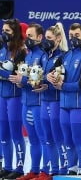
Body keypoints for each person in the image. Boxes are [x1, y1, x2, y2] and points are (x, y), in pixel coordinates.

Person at [47, 23, 81, 176]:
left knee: (78, 137)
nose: (74, 38)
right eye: (71, 35)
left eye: (77, 36)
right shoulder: (65, 56)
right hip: (64, 105)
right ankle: (72, 166)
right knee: (67, 138)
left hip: (79, 105)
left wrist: (63, 86)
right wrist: (49, 76)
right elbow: (52, 71)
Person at [9, 23, 48, 180]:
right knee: (32, 140)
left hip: (39, 103)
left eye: (30, 36)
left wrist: (23, 79)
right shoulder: (27, 55)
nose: (27, 39)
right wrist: (19, 82)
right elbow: (26, 78)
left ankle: (45, 171)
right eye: (27, 36)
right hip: (26, 102)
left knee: (43, 138)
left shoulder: (44, 56)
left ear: (40, 37)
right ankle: (34, 170)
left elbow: (42, 80)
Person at [35, 23, 69, 179]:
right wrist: (43, 80)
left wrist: (51, 79)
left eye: (49, 38)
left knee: (58, 136)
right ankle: (52, 169)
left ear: (58, 38)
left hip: (56, 101)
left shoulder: (63, 56)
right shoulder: (44, 55)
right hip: (44, 100)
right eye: (45, 38)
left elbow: (63, 77)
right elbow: (40, 76)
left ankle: (63, 168)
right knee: (47, 137)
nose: (46, 41)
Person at [0, 19, 26, 179]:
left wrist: (3, 74)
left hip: (15, 96)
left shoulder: (21, 51)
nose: (4, 33)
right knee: (3, 134)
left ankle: (19, 168)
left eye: (7, 31)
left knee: (16, 133)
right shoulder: (2, 49)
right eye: (3, 30)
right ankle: (7, 166)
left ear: (15, 33)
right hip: (2, 95)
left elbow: (18, 76)